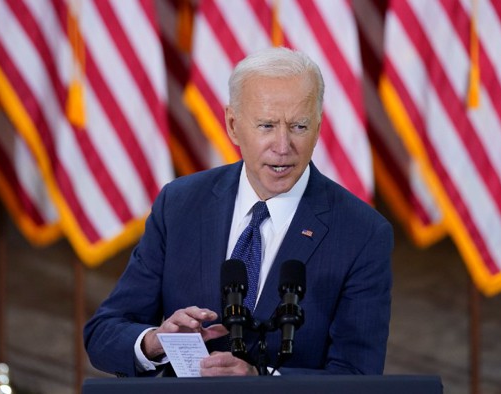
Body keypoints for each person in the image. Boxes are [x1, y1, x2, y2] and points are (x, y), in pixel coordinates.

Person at [84, 47, 393, 377]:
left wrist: (262, 381)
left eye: (299, 127)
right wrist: (154, 342)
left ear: (318, 127)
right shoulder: (180, 204)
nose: (282, 145)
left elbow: (358, 377)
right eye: (266, 125)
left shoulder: (362, 232)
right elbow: (103, 334)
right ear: (232, 125)